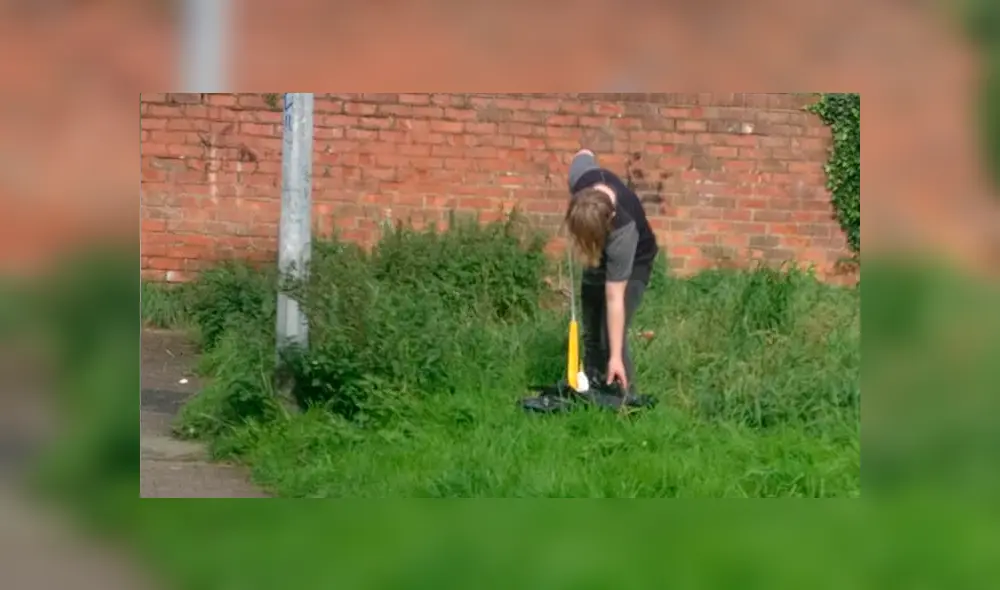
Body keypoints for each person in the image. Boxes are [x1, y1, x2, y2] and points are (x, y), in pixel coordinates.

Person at [565, 149, 659, 394]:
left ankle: (624, 397)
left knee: (610, 333)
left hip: (636, 261)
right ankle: (593, 387)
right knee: (591, 326)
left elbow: (614, 297)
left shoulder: (623, 230)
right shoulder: (581, 179)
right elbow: (583, 154)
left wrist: (615, 357)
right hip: (600, 251)